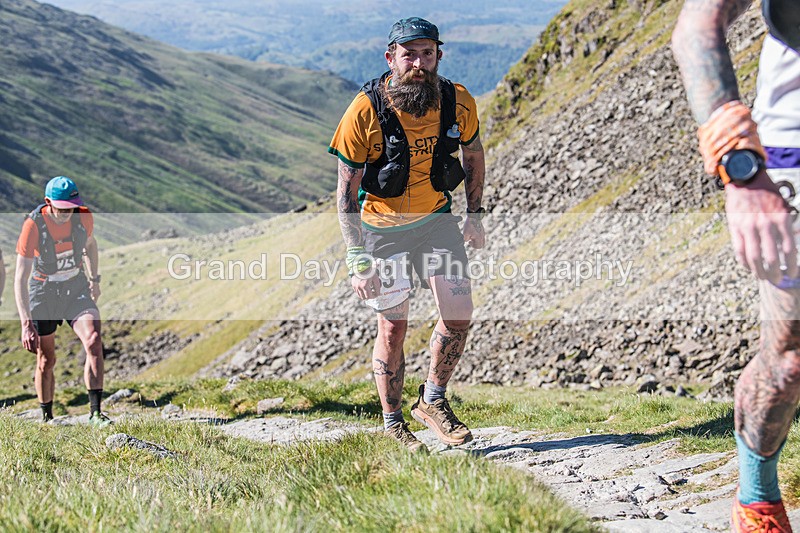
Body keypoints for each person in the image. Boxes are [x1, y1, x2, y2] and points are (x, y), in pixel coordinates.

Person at [329, 17, 486, 452]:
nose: (418, 63)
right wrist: (357, 259)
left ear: (438, 56)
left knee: (459, 313)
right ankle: (393, 424)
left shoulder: (457, 100)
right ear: (390, 58)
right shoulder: (364, 110)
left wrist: (475, 216)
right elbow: (345, 192)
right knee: (393, 328)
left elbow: (473, 155)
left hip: (437, 220)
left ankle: (432, 400)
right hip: (383, 231)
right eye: (408, 54)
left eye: (427, 54)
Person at [673, 1, 800, 531]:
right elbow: (696, 28)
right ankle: (757, 501)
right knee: (791, 358)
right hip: (792, 156)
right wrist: (739, 167)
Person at [14, 176, 110, 427]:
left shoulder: (83, 217)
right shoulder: (33, 225)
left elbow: (90, 245)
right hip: (43, 292)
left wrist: (94, 279)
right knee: (46, 359)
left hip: (75, 287)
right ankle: (47, 417)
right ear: (48, 203)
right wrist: (26, 323)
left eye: (72, 207)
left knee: (94, 340)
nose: (68, 213)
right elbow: (20, 278)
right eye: (62, 208)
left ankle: (95, 414)